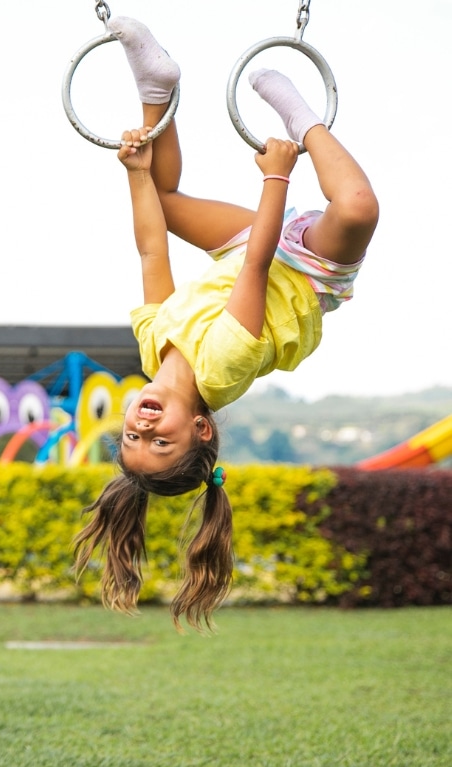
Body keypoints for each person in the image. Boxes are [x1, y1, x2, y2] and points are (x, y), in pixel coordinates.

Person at [72, 17, 378, 632]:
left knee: (160, 192)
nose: (144, 427)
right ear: (202, 428)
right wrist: (277, 174)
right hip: (306, 271)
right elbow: (259, 272)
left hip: (246, 248)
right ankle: (304, 119)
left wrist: (135, 174)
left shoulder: (154, 347)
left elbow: (152, 251)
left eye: (133, 438)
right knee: (358, 208)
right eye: (162, 442)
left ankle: (155, 83)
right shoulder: (221, 369)